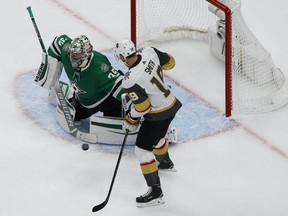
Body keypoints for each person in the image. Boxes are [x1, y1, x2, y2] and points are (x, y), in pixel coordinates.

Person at [114, 39, 182, 207]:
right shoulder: (150, 51)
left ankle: (155, 192)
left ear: (123, 57)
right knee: (157, 137)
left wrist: (131, 117)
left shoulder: (130, 80)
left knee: (142, 150)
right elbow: (171, 63)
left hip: (158, 114)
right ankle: (164, 162)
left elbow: (143, 107)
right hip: (171, 103)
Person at [42, 34, 125, 126]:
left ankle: (121, 112)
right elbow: (59, 41)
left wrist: (135, 113)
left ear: (86, 54)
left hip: (106, 99)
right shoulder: (66, 52)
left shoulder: (100, 69)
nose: (72, 56)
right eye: (71, 53)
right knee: (71, 116)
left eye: (77, 54)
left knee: (115, 121)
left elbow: (121, 87)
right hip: (84, 101)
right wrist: (48, 69)